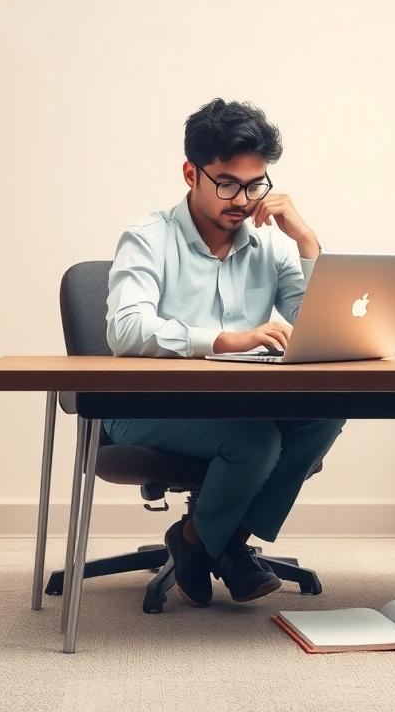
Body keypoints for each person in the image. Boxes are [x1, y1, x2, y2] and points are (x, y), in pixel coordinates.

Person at [104, 98, 344, 606]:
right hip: (145, 409)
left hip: (239, 406)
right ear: (191, 173)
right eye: (228, 183)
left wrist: (306, 241)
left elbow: (317, 326)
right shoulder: (148, 238)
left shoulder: (272, 244)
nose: (243, 198)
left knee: (324, 414)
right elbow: (125, 330)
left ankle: (204, 539)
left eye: (256, 184)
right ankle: (227, 548)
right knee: (255, 444)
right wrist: (220, 339)